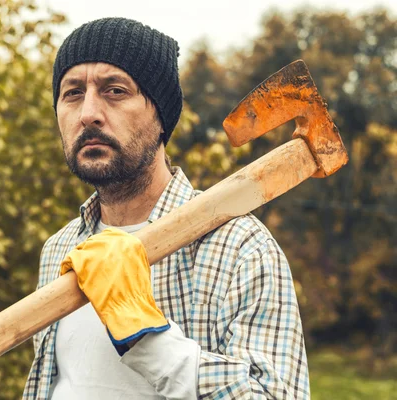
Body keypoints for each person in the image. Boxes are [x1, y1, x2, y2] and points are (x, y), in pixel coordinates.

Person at [23, 17, 310, 400]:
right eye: (72, 93)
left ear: (161, 116)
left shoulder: (241, 249)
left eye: (114, 90)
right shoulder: (59, 250)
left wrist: (145, 337)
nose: (88, 113)